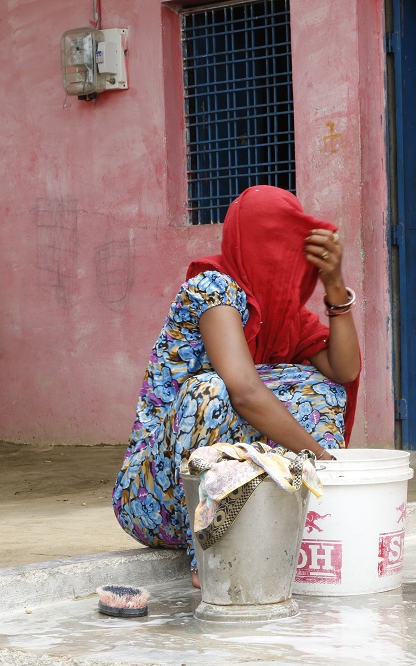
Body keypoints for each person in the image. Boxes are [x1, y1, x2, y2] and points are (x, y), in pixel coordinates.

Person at [111, 186, 361, 586]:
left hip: (238, 506)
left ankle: (301, 527)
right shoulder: (213, 288)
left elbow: (344, 371)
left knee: (320, 389)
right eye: (270, 243)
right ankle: (212, 556)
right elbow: (244, 391)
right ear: (244, 244)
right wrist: (321, 463)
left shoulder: (286, 316)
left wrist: (334, 284)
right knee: (211, 391)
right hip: (154, 501)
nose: (280, 257)